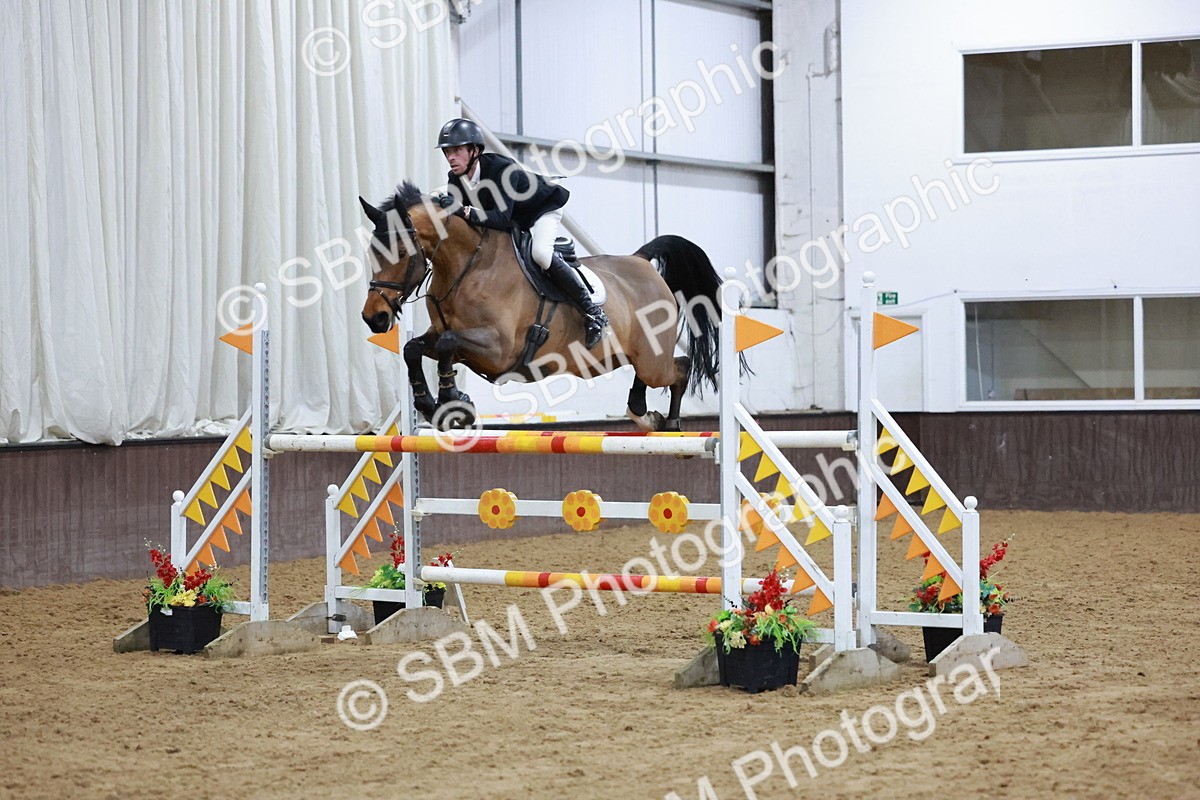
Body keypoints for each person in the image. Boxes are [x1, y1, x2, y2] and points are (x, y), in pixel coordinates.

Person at [436, 118, 609, 349]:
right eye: (447, 152)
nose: (451, 157)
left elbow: (499, 218)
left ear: (475, 150)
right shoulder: (454, 179)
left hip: (542, 209)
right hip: (516, 219)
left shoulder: (501, 170)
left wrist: (464, 210)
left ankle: (594, 313)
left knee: (540, 254)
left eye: (457, 150)